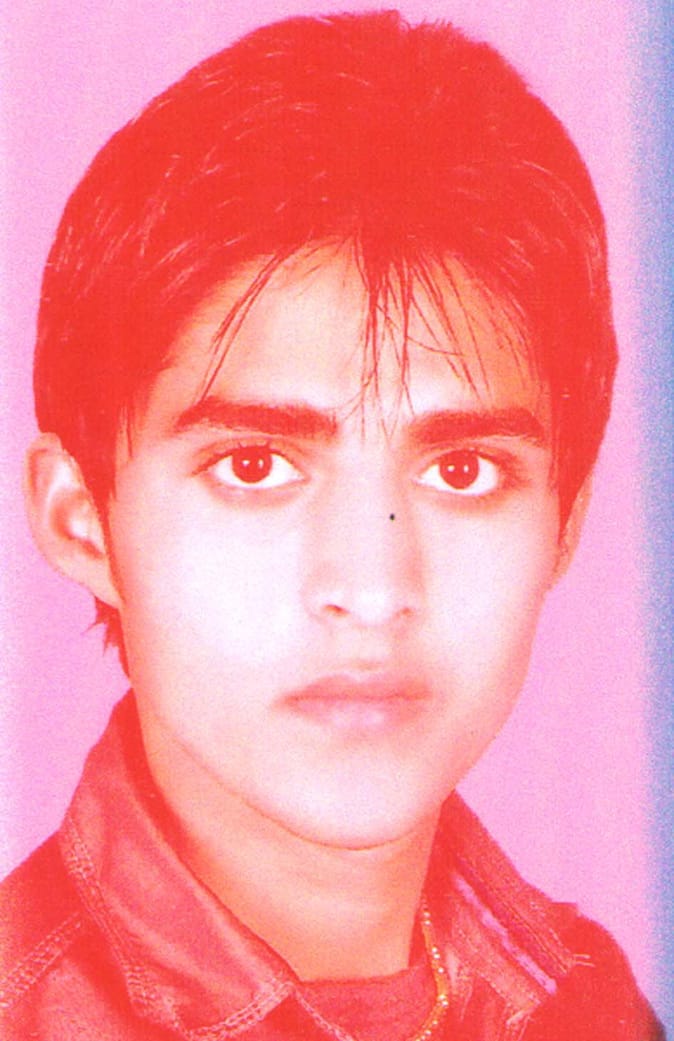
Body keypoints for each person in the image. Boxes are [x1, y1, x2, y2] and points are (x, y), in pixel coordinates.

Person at [0, 10, 663, 1039]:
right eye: (254, 467)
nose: (372, 588)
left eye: (461, 470)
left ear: (564, 525)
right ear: (81, 521)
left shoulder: (591, 1003)